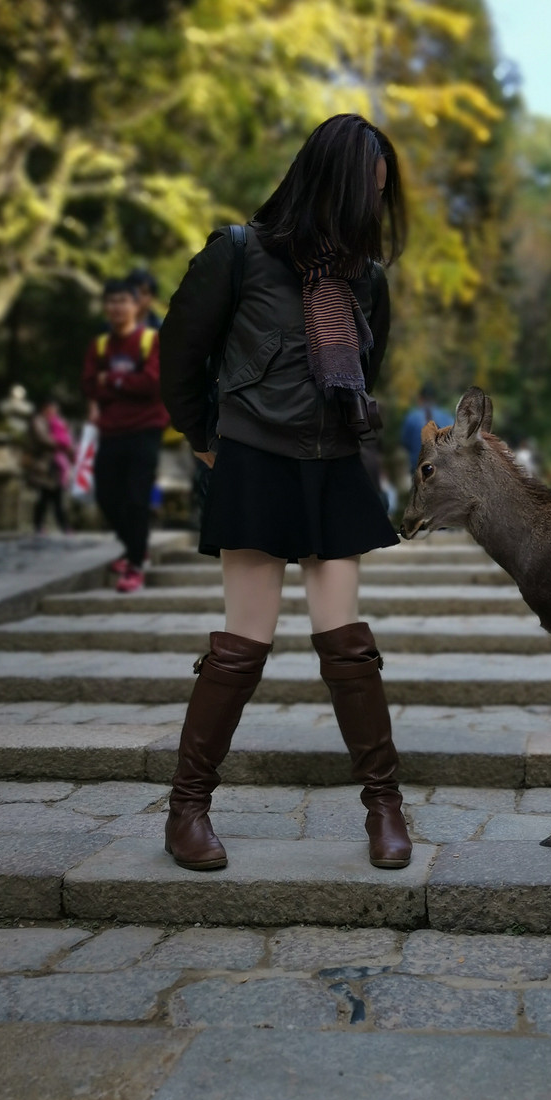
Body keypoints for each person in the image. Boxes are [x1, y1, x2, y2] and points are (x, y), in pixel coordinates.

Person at [160, 111, 411, 875]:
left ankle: (384, 805)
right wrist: (206, 435)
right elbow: (179, 354)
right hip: (258, 456)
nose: (376, 206)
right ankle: (187, 809)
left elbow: (371, 370)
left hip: (334, 461)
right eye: (369, 190)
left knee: (348, 641)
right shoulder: (238, 254)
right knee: (245, 641)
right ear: (332, 184)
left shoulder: (366, 278)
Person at [81, 279, 169, 592]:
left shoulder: (150, 340)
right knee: (106, 496)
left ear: (136, 306)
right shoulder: (101, 346)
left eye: (123, 301)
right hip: (112, 430)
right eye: (111, 301)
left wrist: (113, 381)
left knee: (136, 497)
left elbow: (152, 384)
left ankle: (134, 565)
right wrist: (124, 382)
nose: (117, 307)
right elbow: (91, 385)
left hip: (146, 428)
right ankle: (135, 545)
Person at [26, 396, 74, 533]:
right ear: (45, 408)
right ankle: (39, 525)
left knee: (57, 498)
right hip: (43, 465)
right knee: (44, 497)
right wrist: (60, 443)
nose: (53, 412)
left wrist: (68, 447)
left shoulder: (59, 422)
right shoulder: (38, 421)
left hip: (58, 466)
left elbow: (67, 438)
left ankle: (64, 525)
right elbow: (42, 439)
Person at [400, 383, 452, 471]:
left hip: (419, 470)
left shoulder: (412, 417)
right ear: (434, 399)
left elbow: (405, 442)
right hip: (443, 471)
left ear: (420, 398)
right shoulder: (446, 416)